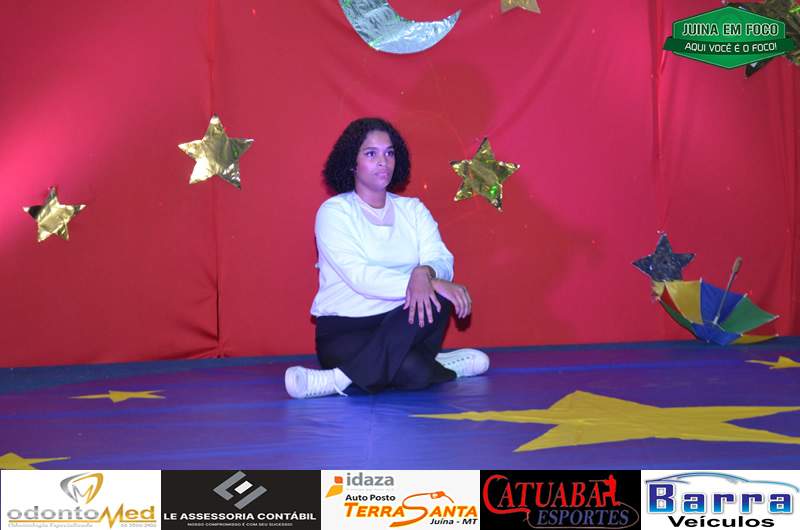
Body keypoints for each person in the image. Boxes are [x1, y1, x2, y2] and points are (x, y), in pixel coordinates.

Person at [284, 117, 489, 399]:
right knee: (415, 372)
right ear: (352, 162)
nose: (383, 161)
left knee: (438, 299)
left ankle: (339, 379)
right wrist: (426, 283)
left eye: (389, 153)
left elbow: (440, 257)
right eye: (371, 154)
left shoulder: (413, 209)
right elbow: (361, 278)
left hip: (404, 323)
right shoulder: (334, 212)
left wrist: (427, 274)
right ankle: (436, 365)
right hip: (347, 330)